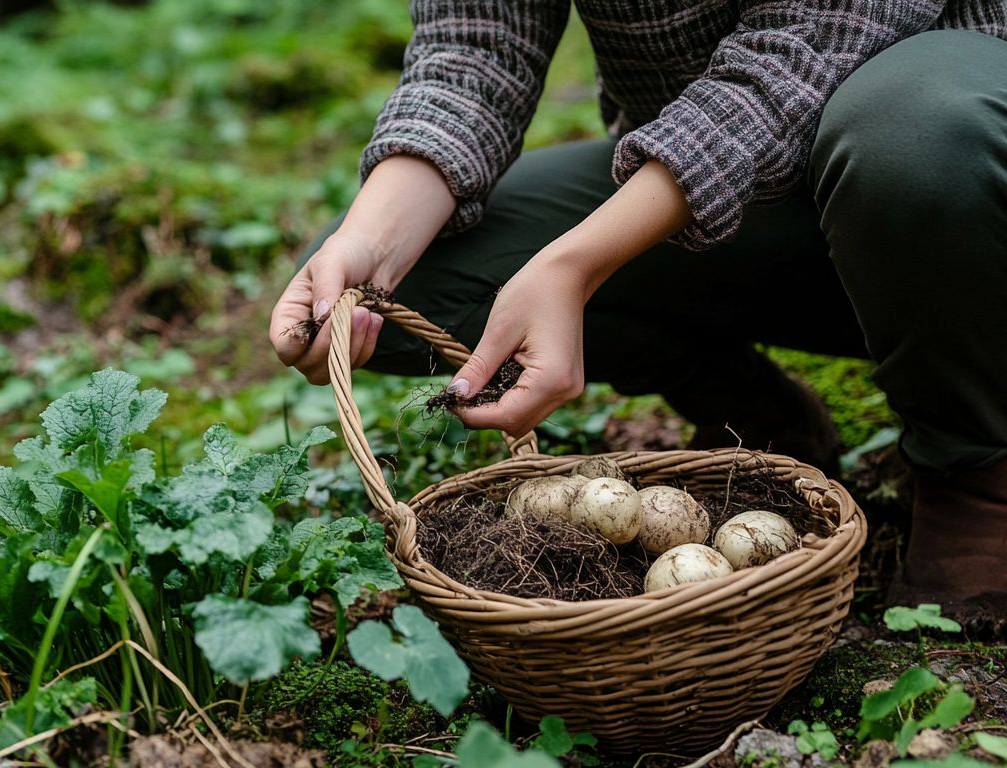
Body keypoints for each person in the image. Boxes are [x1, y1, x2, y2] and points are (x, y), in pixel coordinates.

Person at [269, 1, 1007, 617]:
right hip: (721, 199)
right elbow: (475, 47)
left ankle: (976, 468)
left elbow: (816, 45)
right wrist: (369, 246)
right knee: (417, 280)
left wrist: (575, 265)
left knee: (918, 133)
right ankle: (738, 404)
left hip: (954, 198)